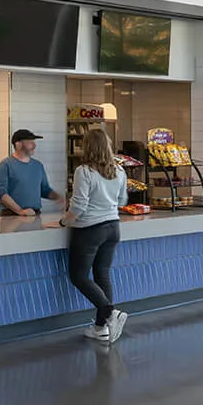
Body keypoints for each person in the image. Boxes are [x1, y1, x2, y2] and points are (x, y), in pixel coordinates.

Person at [57, 125, 130, 342]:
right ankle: (101, 328)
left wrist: (63, 221)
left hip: (90, 230)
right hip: (112, 228)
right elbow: (122, 201)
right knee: (102, 275)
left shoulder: (84, 171)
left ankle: (110, 313)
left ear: (87, 147)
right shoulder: (119, 171)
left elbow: (79, 206)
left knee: (79, 276)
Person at [0, 129, 64, 217]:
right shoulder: (5, 165)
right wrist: (20, 211)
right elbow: (1, 193)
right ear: (18, 144)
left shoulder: (38, 166)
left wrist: (59, 197)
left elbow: (44, 190)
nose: (34, 145)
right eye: (30, 142)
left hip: (35, 214)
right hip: (12, 215)